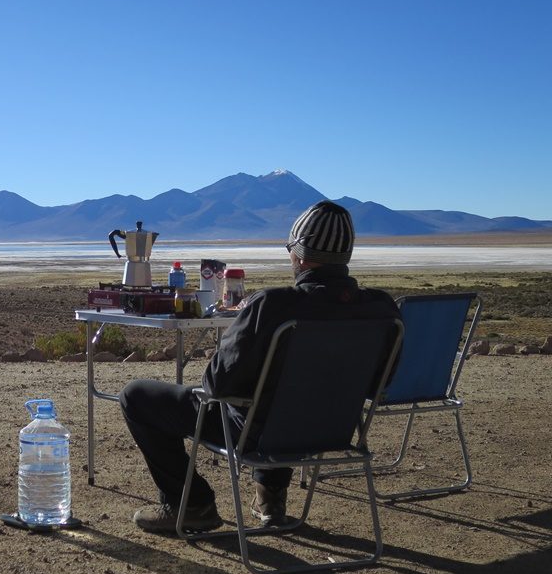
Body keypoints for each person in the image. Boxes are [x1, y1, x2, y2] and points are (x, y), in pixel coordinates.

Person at [119, 200, 400, 533]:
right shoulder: (382, 309)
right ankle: (271, 496)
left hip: (259, 434)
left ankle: (190, 504)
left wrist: (232, 339)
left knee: (136, 396)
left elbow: (218, 385)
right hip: (333, 432)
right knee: (284, 398)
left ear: (300, 255)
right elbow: (380, 384)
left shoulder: (273, 306)